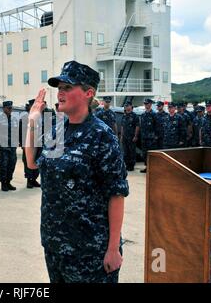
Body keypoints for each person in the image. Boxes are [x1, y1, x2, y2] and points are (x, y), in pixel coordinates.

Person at [25, 61, 129, 283]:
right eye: (59, 88)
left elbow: (116, 194)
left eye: (67, 88)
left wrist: (112, 249)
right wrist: (32, 122)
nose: (60, 93)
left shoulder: (102, 136)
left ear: (88, 93)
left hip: (90, 252)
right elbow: (33, 163)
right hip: (56, 246)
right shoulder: (57, 131)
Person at [0, 101, 18, 192]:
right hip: (3, 147)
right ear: (4, 108)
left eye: (11, 108)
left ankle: (8, 182)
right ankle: (3, 183)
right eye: (8, 108)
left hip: (12, 147)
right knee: (3, 166)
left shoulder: (14, 119)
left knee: (12, 165)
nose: (10, 110)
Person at [20, 99, 41, 189]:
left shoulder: (39, 116)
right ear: (29, 106)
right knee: (28, 161)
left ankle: (34, 179)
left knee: (37, 161)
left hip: (38, 143)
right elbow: (20, 132)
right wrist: (22, 143)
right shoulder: (25, 117)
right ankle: (29, 180)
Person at [138, 98, 157, 173]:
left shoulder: (154, 114)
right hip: (144, 137)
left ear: (150, 104)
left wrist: (156, 136)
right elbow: (141, 126)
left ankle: (153, 167)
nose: (146, 105)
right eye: (145, 104)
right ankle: (147, 167)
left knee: (151, 153)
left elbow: (157, 126)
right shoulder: (143, 114)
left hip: (151, 138)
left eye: (147, 104)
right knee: (144, 153)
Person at [120, 101, 139, 171]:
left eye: (128, 106)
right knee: (125, 152)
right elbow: (122, 126)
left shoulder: (134, 116)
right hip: (125, 137)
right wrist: (121, 136)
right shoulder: (124, 116)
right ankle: (126, 165)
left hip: (131, 137)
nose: (126, 107)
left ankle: (131, 165)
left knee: (132, 152)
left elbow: (137, 126)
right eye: (125, 106)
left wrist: (136, 136)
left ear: (131, 106)